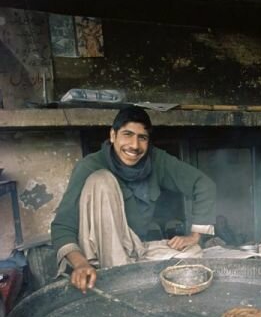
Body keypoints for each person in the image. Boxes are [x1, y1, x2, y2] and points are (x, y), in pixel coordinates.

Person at [51, 106, 216, 292]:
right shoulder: (90, 166)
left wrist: (194, 236)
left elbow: (203, 184)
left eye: (142, 138)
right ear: (113, 136)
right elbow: (61, 226)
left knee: (193, 255)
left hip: (135, 249)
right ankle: (118, 279)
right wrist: (80, 264)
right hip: (96, 258)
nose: (134, 146)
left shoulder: (156, 160)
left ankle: (128, 273)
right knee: (101, 179)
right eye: (127, 134)